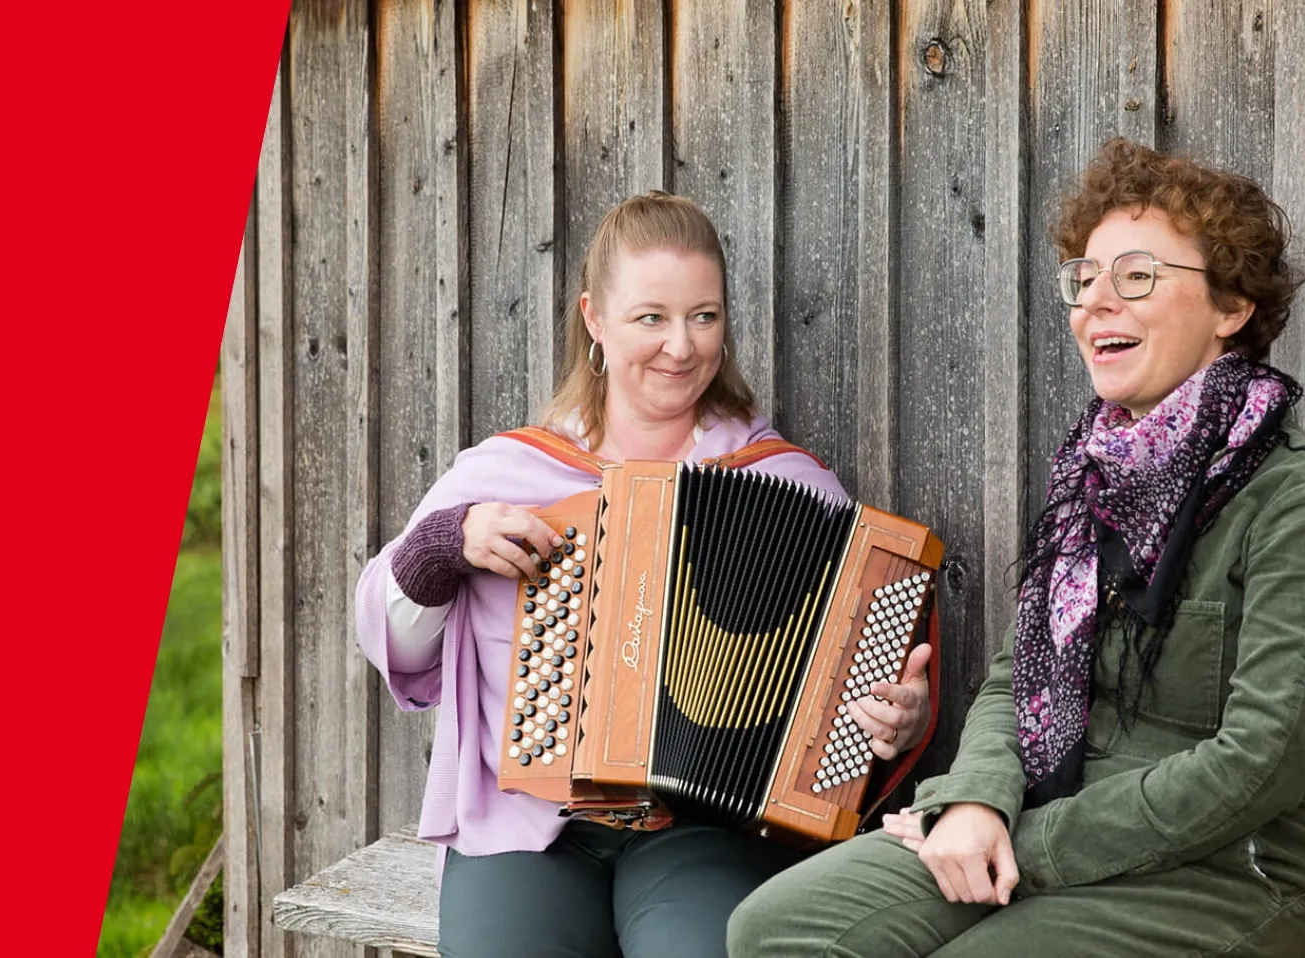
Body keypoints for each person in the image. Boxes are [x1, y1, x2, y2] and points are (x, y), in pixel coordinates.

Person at [727, 139, 1305, 958]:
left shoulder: (1304, 500)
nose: (1096, 301)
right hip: (1044, 816)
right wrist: (974, 802)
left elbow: (1260, 763)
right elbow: (1017, 678)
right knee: (776, 927)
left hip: (1236, 871)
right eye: (1085, 279)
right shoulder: (1095, 477)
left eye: (1137, 276)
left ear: (1231, 307)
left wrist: (1027, 843)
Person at [353, 191, 935, 958]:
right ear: (595, 319)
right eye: (651, 317)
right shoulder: (507, 473)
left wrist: (898, 723)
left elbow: (852, 704)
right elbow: (388, 639)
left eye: (704, 316)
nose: (681, 347)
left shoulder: (787, 484)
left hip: (708, 830)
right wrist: (443, 547)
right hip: (525, 827)